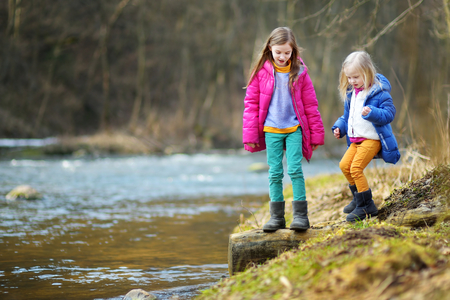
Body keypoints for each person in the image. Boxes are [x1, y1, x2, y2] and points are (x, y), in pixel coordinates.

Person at [242, 27, 325, 232]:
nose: (282, 56)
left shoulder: (300, 72)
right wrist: (250, 136)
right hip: (271, 130)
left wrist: (315, 134)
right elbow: (251, 105)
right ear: (270, 48)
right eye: (278, 52)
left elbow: (310, 105)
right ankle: (277, 217)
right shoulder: (260, 72)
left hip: (294, 128)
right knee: (275, 173)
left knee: (295, 170)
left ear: (293, 51)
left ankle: (300, 216)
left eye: (286, 53)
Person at [332, 51, 401, 222]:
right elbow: (347, 117)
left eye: (356, 77)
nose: (352, 81)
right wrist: (340, 127)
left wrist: (372, 112)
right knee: (344, 165)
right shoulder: (351, 93)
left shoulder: (379, 92)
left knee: (356, 168)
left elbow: (389, 113)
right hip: (356, 140)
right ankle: (358, 199)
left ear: (368, 72)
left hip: (372, 139)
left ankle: (367, 205)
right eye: (349, 77)